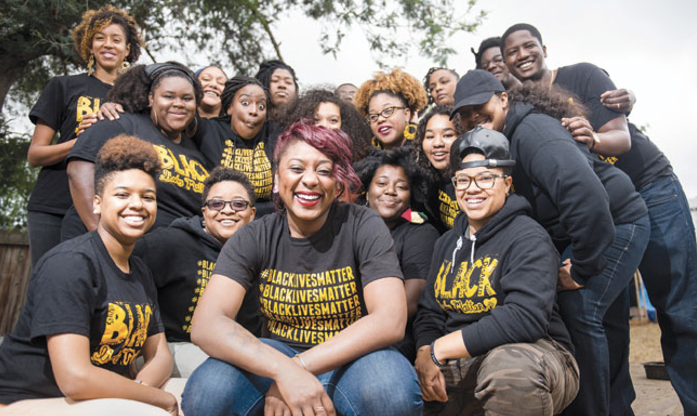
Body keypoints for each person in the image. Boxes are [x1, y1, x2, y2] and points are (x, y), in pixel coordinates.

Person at [502, 23, 697, 413]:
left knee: (679, 310)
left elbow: (621, 139)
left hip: (647, 189)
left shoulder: (582, 75)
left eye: (530, 46)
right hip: (597, 209)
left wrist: (591, 137)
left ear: (544, 48)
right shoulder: (517, 107)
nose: (522, 54)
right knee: (605, 317)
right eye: (513, 51)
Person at [181, 121, 422, 416]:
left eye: (323, 170)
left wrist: (296, 370)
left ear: (337, 184)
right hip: (275, 352)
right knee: (208, 393)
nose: (310, 180)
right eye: (296, 168)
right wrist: (281, 370)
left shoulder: (363, 224)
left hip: (352, 358)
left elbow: (390, 320)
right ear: (276, 179)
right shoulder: (254, 236)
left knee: (390, 391)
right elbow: (206, 325)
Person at [452, 69, 649, 416]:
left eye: (478, 105)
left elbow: (586, 197)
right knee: (598, 322)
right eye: (463, 113)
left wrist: (586, 267)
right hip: (580, 232)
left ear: (503, 99)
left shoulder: (531, 131)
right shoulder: (497, 140)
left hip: (617, 222)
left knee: (579, 309)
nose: (472, 117)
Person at [0, 135, 179, 416]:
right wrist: (153, 400)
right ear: (97, 203)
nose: (137, 204)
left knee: (191, 393)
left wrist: (142, 390)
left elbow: (160, 355)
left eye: (148, 197)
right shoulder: (71, 264)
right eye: (122, 195)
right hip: (25, 399)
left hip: (95, 397)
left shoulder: (140, 270)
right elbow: (75, 378)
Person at [413, 127, 579, 416]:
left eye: (485, 178)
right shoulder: (446, 243)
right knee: (400, 385)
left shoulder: (528, 237)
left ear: (507, 183)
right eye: (463, 180)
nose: (472, 188)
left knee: (507, 370)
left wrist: (438, 350)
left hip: (533, 354)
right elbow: (430, 313)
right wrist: (425, 352)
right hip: (460, 361)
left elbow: (524, 318)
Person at [25, 5, 142, 266]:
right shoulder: (63, 86)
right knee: (47, 281)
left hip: (107, 207)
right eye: (99, 38)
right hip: (53, 204)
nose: (107, 44)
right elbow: (35, 155)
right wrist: (81, 143)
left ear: (128, 49)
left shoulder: (135, 100)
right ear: (89, 46)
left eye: (116, 39)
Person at [134, 167, 260, 378]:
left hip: (235, 347)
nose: (227, 210)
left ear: (252, 214)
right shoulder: (170, 242)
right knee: (231, 373)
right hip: (174, 346)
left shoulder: (257, 253)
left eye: (238, 204)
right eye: (216, 204)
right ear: (204, 211)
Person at [63, 62, 211, 240]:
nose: (178, 104)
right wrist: (101, 235)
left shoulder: (196, 151)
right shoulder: (122, 122)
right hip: (112, 250)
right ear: (150, 98)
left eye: (187, 98)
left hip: (173, 257)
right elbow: (79, 168)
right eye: (168, 96)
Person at [354, 146, 440, 361]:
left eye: (401, 186)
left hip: (394, 340)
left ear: (411, 195)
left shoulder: (421, 234)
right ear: (367, 189)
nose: (390, 191)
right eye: (381, 184)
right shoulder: (350, 229)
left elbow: (409, 304)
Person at [194, 76, 278, 217]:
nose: (254, 111)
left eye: (261, 106)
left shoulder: (274, 133)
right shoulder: (208, 130)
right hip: (219, 221)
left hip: (265, 225)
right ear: (230, 108)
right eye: (245, 103)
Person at [280, 88, 372, 162]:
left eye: (333, 120)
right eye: (316, 120)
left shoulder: (358, 163)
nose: (324, 125)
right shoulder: (290, 155)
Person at [414, 105, 462, 231]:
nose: (437, 143)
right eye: (430, 137)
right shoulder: (428, 181)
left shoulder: (472, 179)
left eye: (447, 135)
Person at [354, 68, 428, 150]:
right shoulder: (365, 161)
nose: (380, 119)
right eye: (373, 116)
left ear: (406, 114)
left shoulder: (427, 157)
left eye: (388, 111)